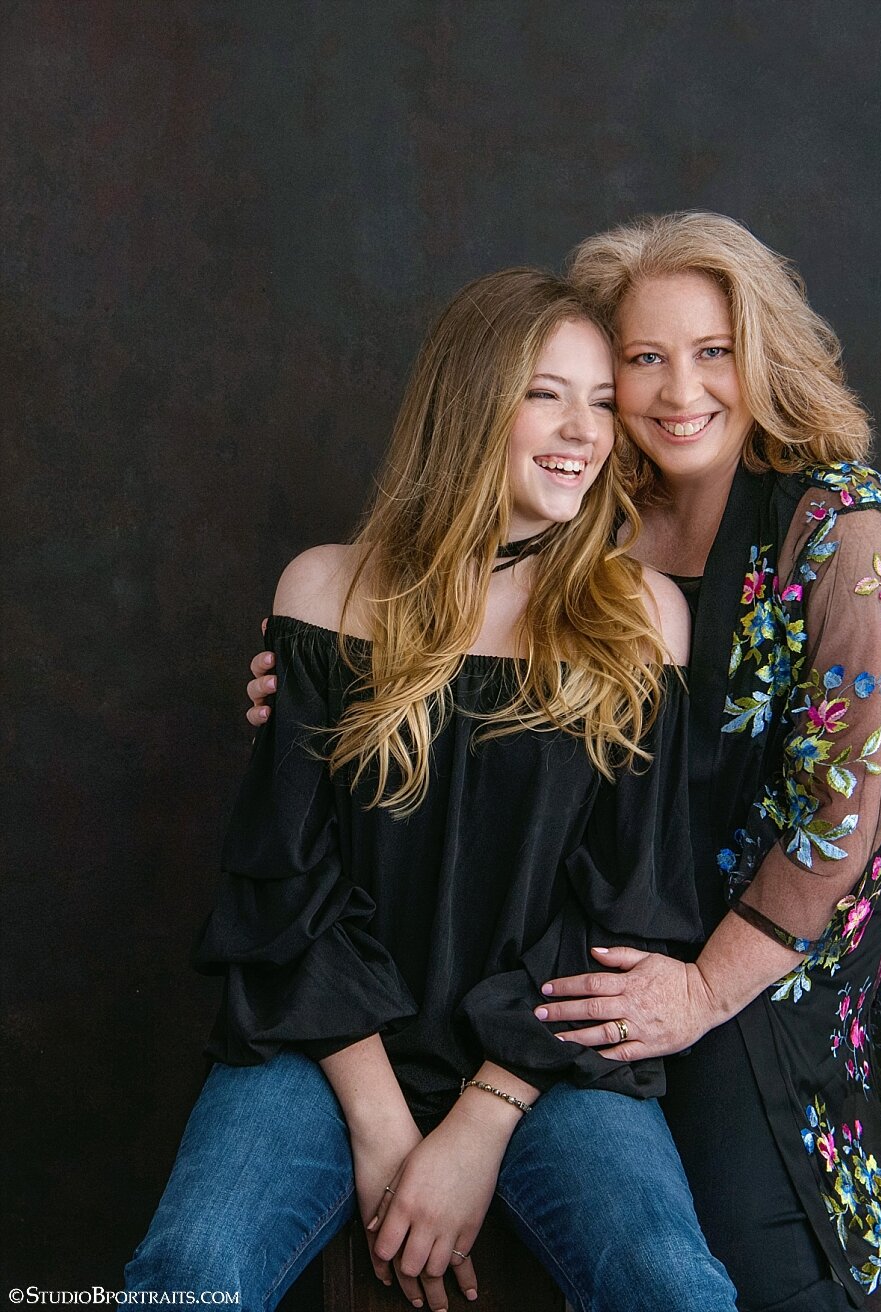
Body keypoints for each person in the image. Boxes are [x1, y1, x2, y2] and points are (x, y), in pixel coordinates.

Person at [246, 215, 881, 1310]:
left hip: (743, 971)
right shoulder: (596, 520)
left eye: (712, 352)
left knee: (741, 1262)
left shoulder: (842, 530)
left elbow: (845, 812)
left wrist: (698, 989)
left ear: (763, 356)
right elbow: (438, 665)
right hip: (572, 949)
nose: (675, 388)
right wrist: (301, 687)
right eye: (641, 357)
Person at [127, 267, 738, 1312]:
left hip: (547, 1059)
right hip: (328, 1043)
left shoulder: (643, 617)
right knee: (188, 1274)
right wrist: (380, 1123)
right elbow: (285, 888)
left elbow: (622, 909)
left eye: (600, 402)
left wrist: (480, 1123)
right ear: (471, 402)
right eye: (546, 392)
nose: (582, 431)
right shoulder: (325, 590)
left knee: (670, 1284)